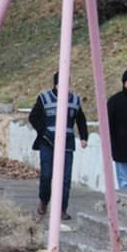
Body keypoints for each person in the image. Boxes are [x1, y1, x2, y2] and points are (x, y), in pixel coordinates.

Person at [29, 72, 88, 220]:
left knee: (65, 179)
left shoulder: (75, 100)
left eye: (68, 83)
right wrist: (44, 132)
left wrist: (84, 137)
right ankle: (44, 200)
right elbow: (33, 117)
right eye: (62, 83)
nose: (66, 86)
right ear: (56, 84)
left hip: (67, 144)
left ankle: (62, 209)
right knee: (47, 175)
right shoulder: (44, 98)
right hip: (47, 143)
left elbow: (80, 119)